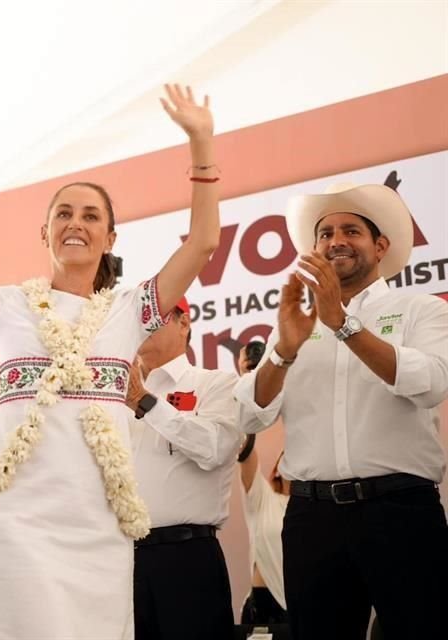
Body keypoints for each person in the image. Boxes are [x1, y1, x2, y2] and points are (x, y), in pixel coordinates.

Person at [0, 84, 220, 639]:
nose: (76, 223)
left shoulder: (132, 310)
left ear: (110, 237)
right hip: (21, 518)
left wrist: (201, 143)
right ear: (45, 232)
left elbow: (203, 242)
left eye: (91, 216)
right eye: (63, 214)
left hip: (99, 522)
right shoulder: (8, 304)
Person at [234, 182, 448, 639]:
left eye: (351, 230)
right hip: (313, 520)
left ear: (381, 246)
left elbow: (430, 383)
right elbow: (251, 416)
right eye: (325, 233)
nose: (336, 241)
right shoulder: (294, 325)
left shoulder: (419, 310)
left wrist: (342, 323)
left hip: (401, 511)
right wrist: (284, 351)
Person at [127, 296, 241, 639]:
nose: (143, 323)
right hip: (120, 561)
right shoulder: (111, 400)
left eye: (153, 314)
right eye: (138, 316)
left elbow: (215, 447)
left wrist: (144, 402)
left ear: (184, 322)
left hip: (186, 559)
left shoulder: (216, 384)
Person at [236, 342, 291, 626]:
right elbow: (244, 453)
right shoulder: (262, 499)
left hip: (302, 602)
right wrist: (249, 382)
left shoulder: (313, 508)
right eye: (286, 455)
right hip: (263, 606)